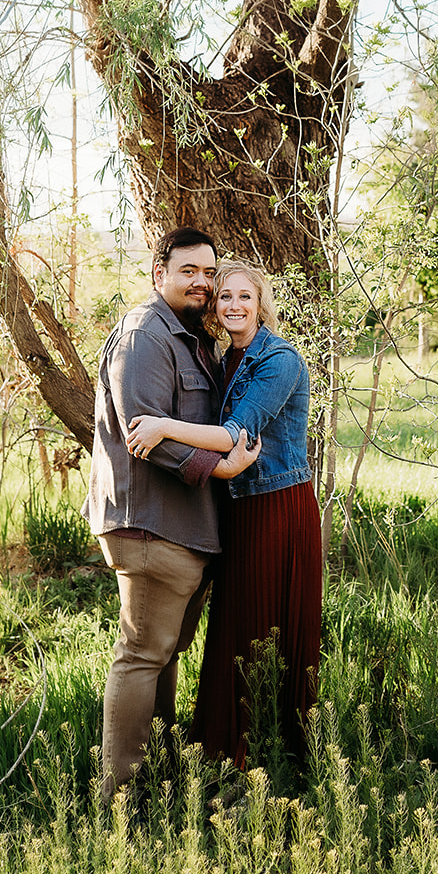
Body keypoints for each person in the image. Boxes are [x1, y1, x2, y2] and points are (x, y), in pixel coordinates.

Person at [83, 229, 260, 803]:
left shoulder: (187, 336)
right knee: (140, 654)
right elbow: (146, 434)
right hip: (150, 521)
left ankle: (154, 770)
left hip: (181, 527)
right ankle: (120, 797)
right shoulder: (145, 335)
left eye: (209, 273)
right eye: (189, 272)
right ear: (159, 272)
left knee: (161, 652)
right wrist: (219, 469)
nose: (203, 284)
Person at [126, 259, 322, 770]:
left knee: (265, 626)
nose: (234, 305)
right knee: (234, 628)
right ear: (215, 306)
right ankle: (221, 747)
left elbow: (236, 435)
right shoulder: (222, 357)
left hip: (276, 506)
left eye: (245, 297)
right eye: (225, 297)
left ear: (261, 304)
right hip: (235, 508)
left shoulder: (278, 362)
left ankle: (271, 754)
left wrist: (162, 426)